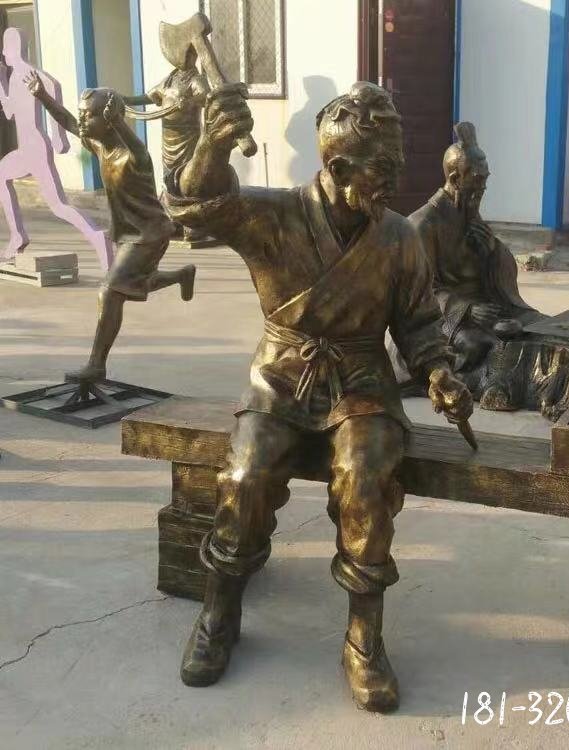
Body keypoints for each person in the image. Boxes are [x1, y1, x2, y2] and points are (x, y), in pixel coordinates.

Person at [164, 81, 473, 713]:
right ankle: (220, 613)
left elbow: (418, 324)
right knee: (246, 475)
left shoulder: (399, 238)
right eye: (381, 170)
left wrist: (438, 370)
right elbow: (196, 204)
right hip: (281, 374)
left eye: (397, 166)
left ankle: (364, 637)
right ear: (337, 166)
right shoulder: (275, 216)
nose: (393, 182)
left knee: (365, 475)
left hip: (361, 381)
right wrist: (212, 145)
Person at [26, 73, 196, 381]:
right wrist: (43, 96)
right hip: (129, 233)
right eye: (83, 114)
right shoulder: (99, 146)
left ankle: (96, 365)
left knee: (110, 291)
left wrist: (119, 121)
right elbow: (67, 121)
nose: (82, 120)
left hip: (149, 234)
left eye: (89, 115)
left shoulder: (135, 157)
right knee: (134, 281)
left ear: (109, 119)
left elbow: (136, 145)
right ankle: (182, 275)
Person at [412, 122, 544, 373]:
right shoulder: (422, 225)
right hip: (446, 318)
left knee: (539, 326)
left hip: (488, 307)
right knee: (481, 345)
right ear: (455, 179)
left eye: (485, 178)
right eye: (477, 178)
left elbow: (502, 271)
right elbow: (419, 292)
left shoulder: (469, 212)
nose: (483, 186)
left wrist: (492, 250)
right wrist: (467, 309)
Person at [0, 27, 111, 266]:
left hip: (35, 149)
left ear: (14, 48)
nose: (3, 53)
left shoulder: (30, 74)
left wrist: (58, 135)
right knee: (1, 175)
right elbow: (9, 113)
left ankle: (96, 236)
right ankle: (17, 236)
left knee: (58, 205)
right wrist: (1, 82)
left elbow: (51, 88)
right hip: (27, 149)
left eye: (5, 47)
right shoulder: (15, 76)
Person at [123, 33, 209, 243]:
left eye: (189, 55)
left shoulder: (196, 79)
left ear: (194, 56)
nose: (185, 59)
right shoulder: (170, 79)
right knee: (170, 178)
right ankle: (175, 220)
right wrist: (126, 100)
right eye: (183, 55)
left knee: (188, 180)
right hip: (168, 137)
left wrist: (189, 102)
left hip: (188, 137)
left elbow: (206, 96)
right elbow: (150, 96)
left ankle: (193, 223)